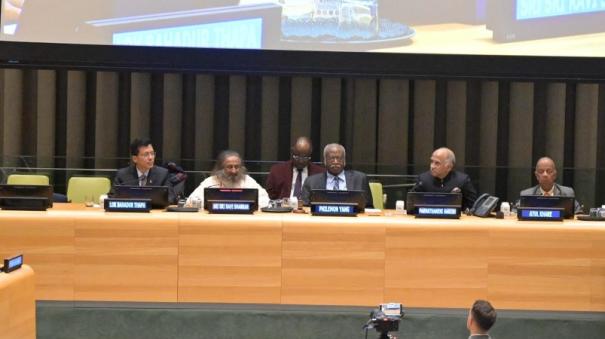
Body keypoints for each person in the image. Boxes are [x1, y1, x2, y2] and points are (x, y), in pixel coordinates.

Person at [186, 150, 270, 208]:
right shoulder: (210, 182)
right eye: (229, 167)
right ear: (220, 168)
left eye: (237, 167)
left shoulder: (247, 180)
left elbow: (265, 201)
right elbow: (190, 202)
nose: (234, 171)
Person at [300, 143, 372, 207]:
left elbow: (369, 206)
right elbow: (305, 207)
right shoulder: (311, 181)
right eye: (331, 158)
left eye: (339, 158)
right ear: (325, 161)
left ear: (344, 161)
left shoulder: (360, 179)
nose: (335, 162)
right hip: (322, 219)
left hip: (352, 220)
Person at [113, 138, 178, 204]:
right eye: (146, 154)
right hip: (131, 212)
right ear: (135, 159)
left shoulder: (162, 174)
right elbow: (112, 196)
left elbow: (171, 198)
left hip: (154, 212)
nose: (150, 158)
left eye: (152, 154)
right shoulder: (122, 175)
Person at [411, 147, 477, 211]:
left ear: (449, 167)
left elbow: (473, 206)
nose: (432, 166)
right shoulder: (423, 179)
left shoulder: (462, 180)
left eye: (437, 163)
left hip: (455, 220)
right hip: (429, 219)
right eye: (432, 162)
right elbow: (411, 203)